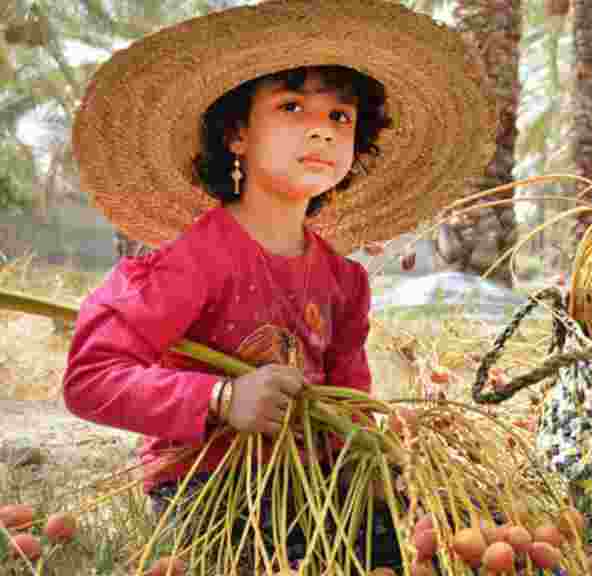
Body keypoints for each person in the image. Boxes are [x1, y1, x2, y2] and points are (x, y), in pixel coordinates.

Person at [60, 1, 508, 573]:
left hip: (314, 488)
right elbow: (90, 378)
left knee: (449, 541)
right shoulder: (196, 261)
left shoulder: (343, 281)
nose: (321, 128)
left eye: (340, 117)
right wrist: (222, 399)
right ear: (237, 135)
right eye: (292, 106)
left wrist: (376, 463)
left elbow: (349, 403)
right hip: (213, 490)